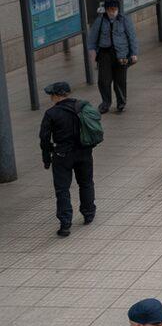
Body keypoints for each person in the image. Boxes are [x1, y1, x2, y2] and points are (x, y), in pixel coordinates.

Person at [38, 81, 95, 237]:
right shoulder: (81, 107)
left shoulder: (51, 114)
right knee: (86, 183)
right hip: (84, 152)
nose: (51, 98)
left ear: (56, 95)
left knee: (62, 189)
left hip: (62, 155)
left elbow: (44, 138)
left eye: (51, 95)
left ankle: (65, 224)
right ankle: (88, 213)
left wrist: (46, 158)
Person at [86, 0, 138, 114]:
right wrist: (92, 53)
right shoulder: (100, 21)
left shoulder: (124, 20)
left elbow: (132, 37)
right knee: (104, 81)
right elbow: (92, 39)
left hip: (121, 54)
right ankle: (105, 103)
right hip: (105, 54)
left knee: (120, 81)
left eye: (115, 10)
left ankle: (121, 103)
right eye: (110, 10)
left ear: (118, 10)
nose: (112, 12)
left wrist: (134, 53)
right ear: (106, 10)